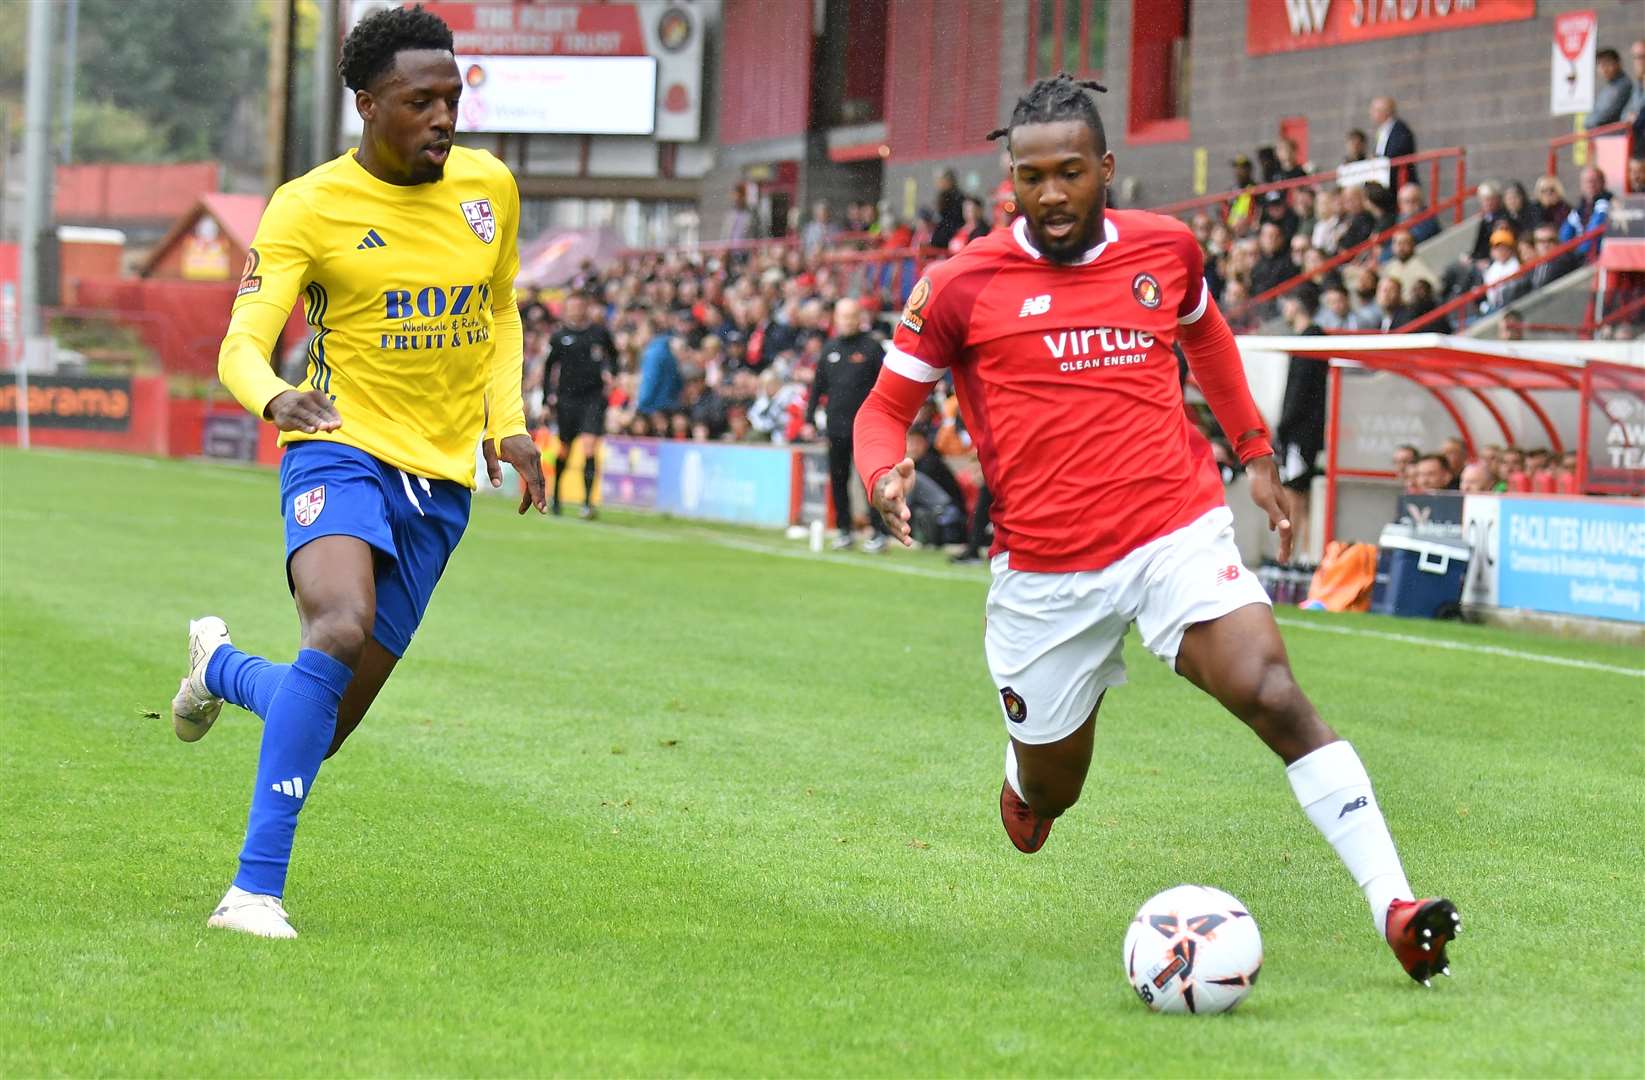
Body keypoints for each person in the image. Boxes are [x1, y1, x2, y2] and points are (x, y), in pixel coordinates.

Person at [853, 74, 1458, 985]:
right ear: (1006, 180)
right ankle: (1028, 784)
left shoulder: (1166, 250)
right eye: (1030, 177)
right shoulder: (958, 286)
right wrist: (879, 470)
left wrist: (1254, 451)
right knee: (1053, 790)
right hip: (1046, 575)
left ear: (1106, 168)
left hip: (1172, 527)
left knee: (1269, 688)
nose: (1050, 194)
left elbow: (1206, 337)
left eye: (1069, 172)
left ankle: (1396, 907)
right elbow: (881, 409)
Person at [172, 4, 547, 939]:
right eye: (420, 101)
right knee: (337, 626)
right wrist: (273, 399)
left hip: (441, 481)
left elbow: (498, 314)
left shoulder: (487, 188)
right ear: (366, 104)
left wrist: (513, 426)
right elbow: (242, 344)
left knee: (320, 725)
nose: (443, 118)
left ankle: (218, 665)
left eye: (453, 98)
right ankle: (252, 894)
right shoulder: (308, 205)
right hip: (338, 445)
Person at [808, 297, 888, 552]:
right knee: (839, 479)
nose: (847, 322)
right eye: (843, 317)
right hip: (836, 426)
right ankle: (844, 530)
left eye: (852, 316)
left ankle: (878, 531)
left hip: (867, 428)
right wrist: (809, 417)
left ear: (859, 318)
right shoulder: (829, 349)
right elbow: (817, 387)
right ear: (836, 320)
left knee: (872, 480)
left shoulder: (872, 348)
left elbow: (887, 382)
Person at [545, 291, 617, 518]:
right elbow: (549, 368)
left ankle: (587, 503)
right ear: (567, 309)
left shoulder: (599, 333)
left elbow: (614, 355)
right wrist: (547, 396)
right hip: (567, 399)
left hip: (593, 398)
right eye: (572, 306)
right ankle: (556, 497)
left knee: (589, 445)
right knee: (564, 450)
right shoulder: (560, 336)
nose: (576, 310)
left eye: (580, 305)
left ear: (586, 307)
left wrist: (612, 373)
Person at [1276, 284, 1327, 559]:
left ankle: (1296, 554)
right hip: (1301, 431)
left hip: (1301, 433)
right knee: (1296, 492)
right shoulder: (1306, 339)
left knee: (1295, 494)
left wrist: (1284, 426)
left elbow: (1300, 390)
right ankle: (1298, 552)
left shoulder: (1311, 339)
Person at [1558, 167, 1612, 258]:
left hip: (1598, 257)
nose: (1590, 185)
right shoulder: (1580, 208)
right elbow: (1564, 235)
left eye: (1594, 180)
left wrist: (1578, 254)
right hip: (1580, 256)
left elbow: (1593, 233)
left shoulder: (1606, 202)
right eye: (1586, 181)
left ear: (1603, 182)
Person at [1370, 96, 1417, 186]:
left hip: (1397, 181)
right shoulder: (1382, 130)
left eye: (1375, 110)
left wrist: (1379, 160)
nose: (1371, 114)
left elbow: (1397, 152)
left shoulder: (1400, 129)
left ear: (1385, 111)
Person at [1590, 48, 1633, 127]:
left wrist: (1589, 123)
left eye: (1607, 63)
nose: (1604, 69)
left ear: (1618, 63)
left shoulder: (1623, 85)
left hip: (1614, 135)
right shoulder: (1607, 88)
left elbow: (1607, 114)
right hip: (1602, 135)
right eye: (1600, 64)